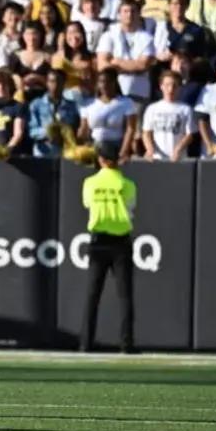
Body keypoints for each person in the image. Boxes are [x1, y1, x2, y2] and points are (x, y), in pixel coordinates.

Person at [80, 140, 137, 353]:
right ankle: (126, 343)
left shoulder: (90, 183)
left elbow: (88, 204)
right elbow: (131, 207)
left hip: (98, 240)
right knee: (125, 295)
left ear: (100, 159)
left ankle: (86, 343)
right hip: (121, 240)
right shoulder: (127, 184)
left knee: (92, 294)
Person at [142, 70, 198, 162]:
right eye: (167, 85)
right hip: (157, 159)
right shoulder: (152, 108)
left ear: (179, 88)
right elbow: (146, 132)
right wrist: (149, 149)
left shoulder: (186, 109)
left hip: (178, 159)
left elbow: (190, 134)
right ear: (161, 86)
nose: (171, 89)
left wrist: (178, 149)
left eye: (174, 86)